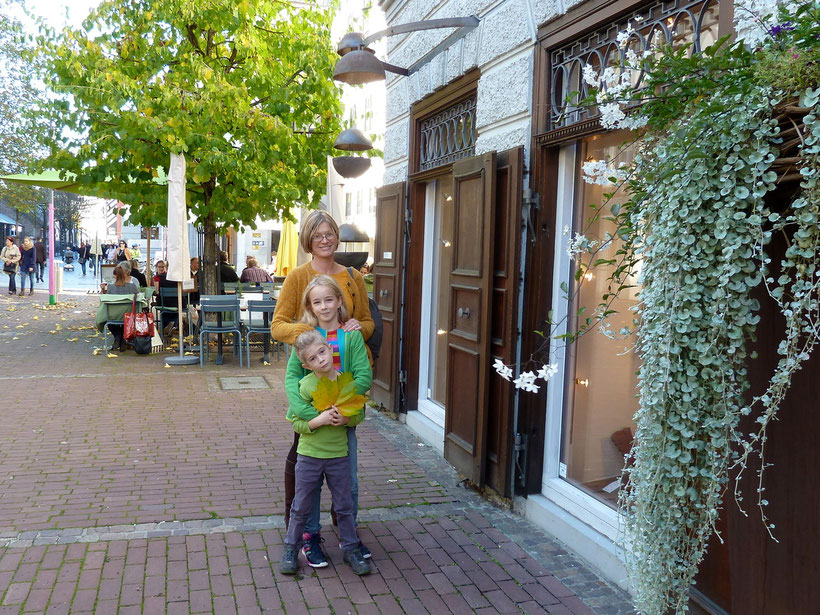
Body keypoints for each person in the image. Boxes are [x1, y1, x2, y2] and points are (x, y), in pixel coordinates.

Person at [271, 211, 375, 563]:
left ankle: (347, 531)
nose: (326, 239)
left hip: (346, 395)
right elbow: (279, 326)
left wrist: (359, 328)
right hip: (312, 392)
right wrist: (309, 338)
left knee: (348, 474)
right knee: (310, 474)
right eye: (318, 235)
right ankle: (307, 534)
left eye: (330, 233)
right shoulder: (299, 276)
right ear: (308, 239)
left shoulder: (352, 277)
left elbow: (367, 323)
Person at [279, 329, 371, 577]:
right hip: (309, 456)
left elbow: (359, 413)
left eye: (322, 352)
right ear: (306, 366)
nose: (320, 359)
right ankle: (291, 548)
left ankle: (351, 549)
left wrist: (346, 420)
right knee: (301, 505)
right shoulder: (305, 386)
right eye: (313, 358)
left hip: (338, 456)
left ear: (330, 349)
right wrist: (317, 421)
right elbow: (296, 423)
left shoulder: (347, 383)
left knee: (344, 505)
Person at [101, 265, 139, 350]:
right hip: (129, 316)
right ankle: (122, 339)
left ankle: (118, 336)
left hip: (113, 316)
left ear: (115, 276)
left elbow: (106, 300)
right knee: (125, 321)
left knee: (106, 320)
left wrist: (103, 291)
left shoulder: (110, 287)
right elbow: (138, 296)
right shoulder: (132, 286)